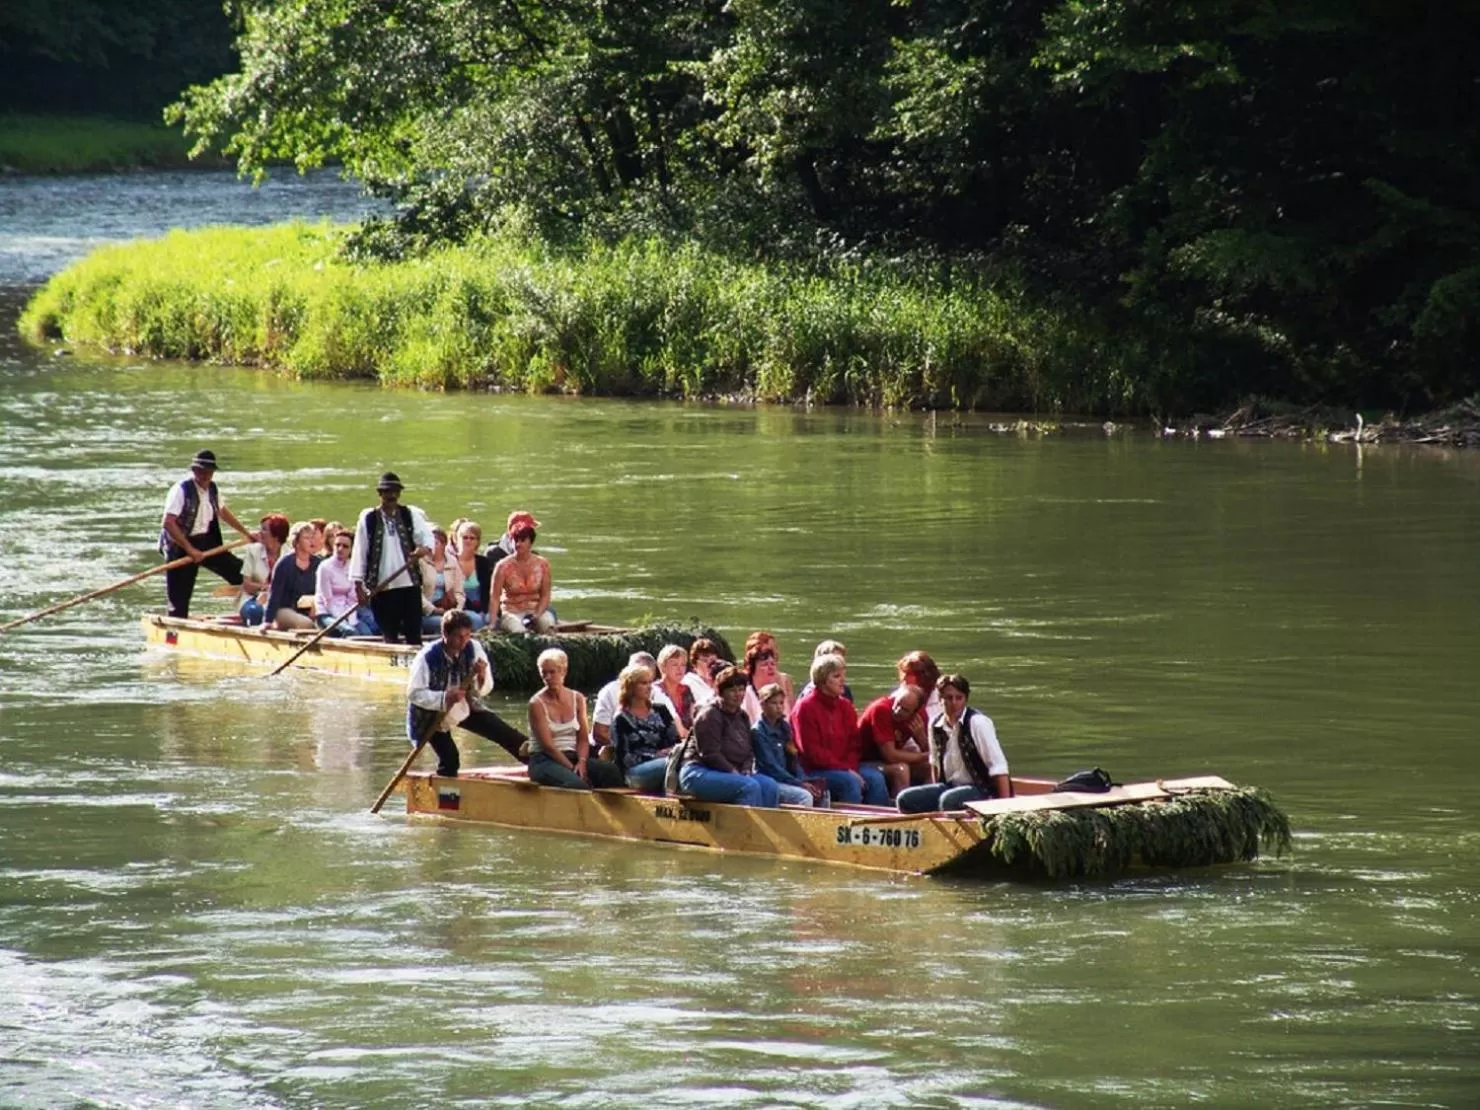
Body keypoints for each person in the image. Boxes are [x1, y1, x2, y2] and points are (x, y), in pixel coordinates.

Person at [407, 610, 529, 777]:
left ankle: (537, 763)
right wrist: (444, 697)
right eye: (458, 637)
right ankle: (445, 787)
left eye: (467, 635)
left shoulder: (473, 648)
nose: (463, 641)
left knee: (504, 732)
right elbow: (414, 694)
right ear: (445, 634)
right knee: (450, 759)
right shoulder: (426, 657)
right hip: (432, 715)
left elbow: (485, 688)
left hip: (464, 704)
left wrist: (481, 675)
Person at [158, 449, 257, 618]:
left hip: (205, 541)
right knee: (179, 598)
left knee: (240, 573)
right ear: (194, 470)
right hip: (180, 545)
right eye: (201, 471)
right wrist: (190, 550)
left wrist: (246, 533)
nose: (205, 476)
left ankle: (254, 610)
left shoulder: (212, 488)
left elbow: (223, 511)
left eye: (209, 472)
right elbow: (168, 523)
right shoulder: (181, 490)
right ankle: (175, 625)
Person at [896, 674, 1011, 813]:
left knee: (948, 800)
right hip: (951, 786)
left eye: (959, 698)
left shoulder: (977, 723)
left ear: (965, 699)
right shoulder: (935, 724)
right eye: (948, 698)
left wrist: (1004, 807)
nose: (954, 703)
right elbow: (935, 763)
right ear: (940, 699)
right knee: (904, 799)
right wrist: (935, 791)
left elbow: (998, 767)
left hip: (982, 789)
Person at [789, 652, 889, 806]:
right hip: (814, 770)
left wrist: (850, 767)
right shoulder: (805, 708)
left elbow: (854, 745)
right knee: (848, 782)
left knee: (876, 778)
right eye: (836, 676)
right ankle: (848, 819)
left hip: (846, 767)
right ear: (822, 681)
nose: (843, 681)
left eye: (843, 675)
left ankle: (879, 818)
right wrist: (846, 770)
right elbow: (812, 752)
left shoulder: (845, 706)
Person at [677, 666, 780, 807]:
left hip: (732, 772)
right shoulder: (710, 714)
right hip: (698, 771)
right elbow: (709, 754)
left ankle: (767, 822)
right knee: (749, 786)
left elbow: (749, 751)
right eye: (732, 690)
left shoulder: (742, 716)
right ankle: (743, 822)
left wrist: (746, 769)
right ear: (722, 692)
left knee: (770, 786)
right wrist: (733, 772)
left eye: (741, 689)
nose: (738, 694)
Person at [349, 471, 432, 645]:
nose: (392, 496)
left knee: (414, 634)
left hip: (409, 585)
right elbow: (359, 551)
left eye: (395, 491)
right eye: (387, 492)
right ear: (380, 494)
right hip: (381, 588)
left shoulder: (410, 515)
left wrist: (422, 550)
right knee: (389, 634)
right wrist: (358, 587)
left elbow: (427, 539)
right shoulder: (369, 519)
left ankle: (414, 658)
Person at [525, 648, 625, 789]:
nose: (547, 677)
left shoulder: (577, 698)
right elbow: (548, 746)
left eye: (552, 672)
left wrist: (582, 762)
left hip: (573, 755)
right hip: (545, 760)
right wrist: (572, 768)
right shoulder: (536, 704)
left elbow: (583, 738)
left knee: (612, 773)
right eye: (544, 673)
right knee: (576, 784)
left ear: (563, 671)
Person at [750, 683, 822, 807]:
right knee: (804, 796)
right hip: (771, 780)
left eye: (781, 703)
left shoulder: (784, 727)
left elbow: (794, 759)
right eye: (774, 703)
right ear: (763, 705)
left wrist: (803, 779)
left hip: (787, 778)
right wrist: (798, 783)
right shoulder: (758, 732)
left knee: (821, 792)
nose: (779, 707)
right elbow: (771, 766)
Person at [612, 663, 679, 793]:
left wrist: (671, 750)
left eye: (650, 683)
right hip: (635, 772)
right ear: (631, 687)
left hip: (668, 760)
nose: (649, 687)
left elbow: (675, 740)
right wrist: (655, 756)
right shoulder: (621, 719)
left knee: (684, 761)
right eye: (643, 683)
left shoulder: (661, 710)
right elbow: (624, 758)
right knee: (672, 764)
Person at [856, 684, 932, 798]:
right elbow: (890, 755)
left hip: (886, 761)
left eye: (905, 710)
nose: (897, 711)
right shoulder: (881, 709)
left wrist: (922, 738)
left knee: (931, 767)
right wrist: (923, 756)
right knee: (901, 770)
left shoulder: (919, 717)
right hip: (865, 760)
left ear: (914, 712)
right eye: (897, 704)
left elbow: (931, 752)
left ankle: (926, 803)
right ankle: (900, 806)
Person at [491, 510, 556, 634]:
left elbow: (545, 595)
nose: (518, 544)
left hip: (535, 610)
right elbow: (494, 597)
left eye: (522, 540)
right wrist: (493, 623)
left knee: (548, 625)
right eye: (515, 540)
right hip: (511, 612)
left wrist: (537, 614)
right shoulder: (502, 566)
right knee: (519, 631)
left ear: (531, 542)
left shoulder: (543, 564)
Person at [593, 652, 674, 749]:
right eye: (642, 681)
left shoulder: (660, 702)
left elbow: (675, 736)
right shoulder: (612, 696)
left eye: (649, 680)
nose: (649, 687)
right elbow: (600, 734)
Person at [315, 528, 379, 637]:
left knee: (367, 633)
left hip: (349, 611)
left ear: (351, 550)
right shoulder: (325, 567)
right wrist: (344, 618)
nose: (340, 549)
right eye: (337, 545)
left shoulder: (352, 567)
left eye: (345, 546)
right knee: (350, 632)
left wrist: (352, 618)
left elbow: (353, 597)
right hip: (327, 613)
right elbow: (327, 600)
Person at [263, 520, 322, 629]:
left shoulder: (318, 563)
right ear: (296, 542)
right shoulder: (284, 564)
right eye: (307, 538)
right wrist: (268, 621)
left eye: (312, 537)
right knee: (307, 624)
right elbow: (275, 594)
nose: (311, 541)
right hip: (285, 609)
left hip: (311, 608)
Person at [238, 513, 288, 626]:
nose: (259, 532)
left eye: (264, 529)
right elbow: (247, 586)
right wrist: (267, 588)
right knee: (256, 611)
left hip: (280, 599)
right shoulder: (252, 551)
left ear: (276, 535)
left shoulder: (289, 555)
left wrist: (273, 593)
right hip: (252, 598)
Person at [739, 631, 795, 723]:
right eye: (770, 649)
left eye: (774, 649)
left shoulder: (785, 680)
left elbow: (793, 715)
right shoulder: (745, 689)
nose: (776, 653)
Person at [419, 526, 465, 636]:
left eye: (435, 543)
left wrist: (456, 611)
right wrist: (433, 609)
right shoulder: (420, 562)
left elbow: (459, 592)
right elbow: (416, 594)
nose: (431, 546)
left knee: (476, 620)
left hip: (449, 609)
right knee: (444, 623)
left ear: (444, 545)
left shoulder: (452, 561)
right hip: (426, 612)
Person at [451, 520, 492, 629]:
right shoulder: (451, 561)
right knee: (476, 620)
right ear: (456, 539)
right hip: (459, 609)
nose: (468, 541)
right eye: (465, 537)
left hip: (481, 609)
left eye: (472, 538)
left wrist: (487, 611)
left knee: (491, 619)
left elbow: (488, 591)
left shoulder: (483, 562)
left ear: (477, 542)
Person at [654, 644, 696, 738]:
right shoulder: (654, 691)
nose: (680, 669)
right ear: (663, 666)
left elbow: (694, 719)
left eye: (683, 665)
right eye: (675, 664)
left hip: (689, 740)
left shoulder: (686, 690)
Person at [898, 650, 943, 718]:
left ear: (923, 676)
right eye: (903, 673)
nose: (904, 678)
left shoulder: (943, 700)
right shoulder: (899, 695)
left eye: (909, 674)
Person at [684, 638, 724, 707]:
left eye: (713, 661)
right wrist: (714, 694)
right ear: (695, 663)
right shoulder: (688, 682)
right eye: (705, 660)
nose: (710, 664)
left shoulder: (723, 680)